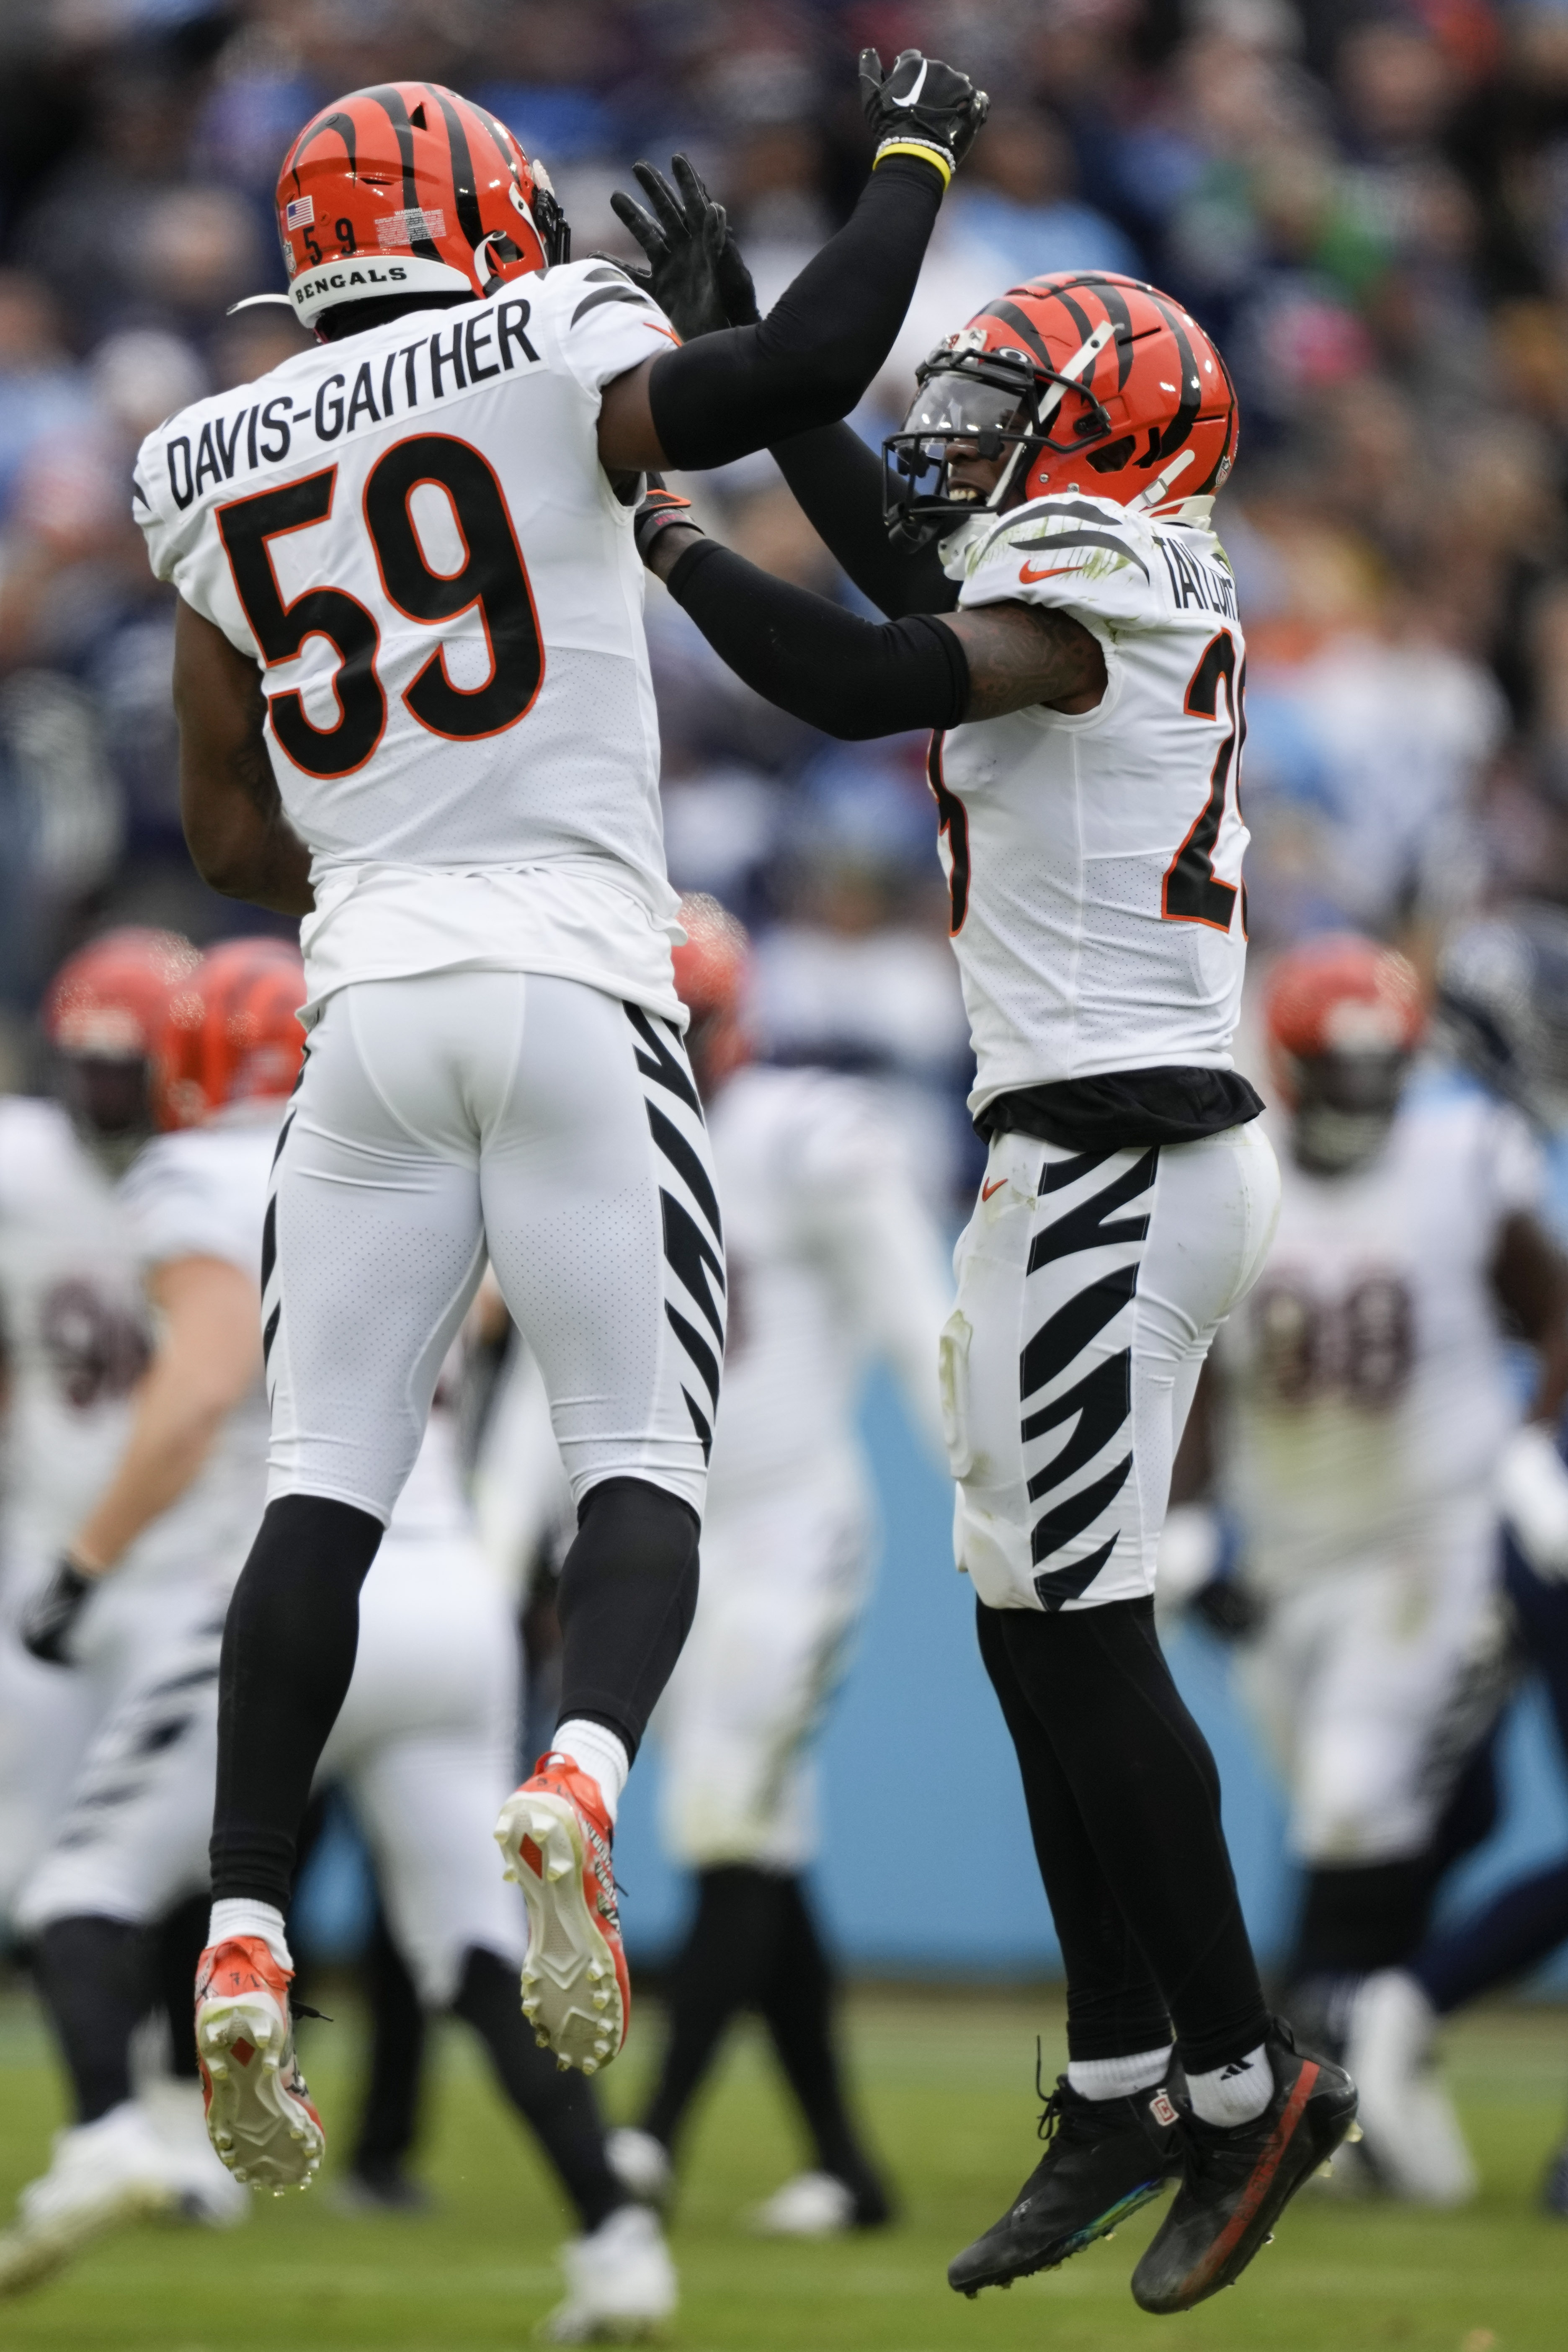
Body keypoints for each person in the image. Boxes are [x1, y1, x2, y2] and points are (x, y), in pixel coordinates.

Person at [108, 51, 990, 2186]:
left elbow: (229, 834)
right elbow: (818, 356)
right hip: (584, 977)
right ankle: (580, 1777)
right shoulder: (549, 334)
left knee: (321, 1482)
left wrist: (397, 830)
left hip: (366, 1000)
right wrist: (917, 150)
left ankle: (237, 1926)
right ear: (484, 217)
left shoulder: (195, 461)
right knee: (635, 1455)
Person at [626, 265, 1357, 2313]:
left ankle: (1247, 2072)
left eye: (1008, 395)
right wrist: (769, 377)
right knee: (1035, 1629)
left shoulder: (1112, 562)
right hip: (1073, 1150)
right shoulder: (1088, 551)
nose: (962, 422)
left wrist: (664, 524)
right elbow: (901, 563)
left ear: (1116, 434)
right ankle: (1131, 2080)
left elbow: (867, 679)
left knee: (1086, 1630)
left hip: (1129, 1152)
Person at [7, 936, 679, 2339]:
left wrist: (78, 1571)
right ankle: (619, 2239)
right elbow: (503, 1310)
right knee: (475, 1959)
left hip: (301, 1594)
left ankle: (107, 2137)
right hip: (451, 1602)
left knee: (79, 1893)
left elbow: (198, 1388)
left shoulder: (206, 1174)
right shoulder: (406, 1152)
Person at [1163, 932, 1568, 2204]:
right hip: (1293, 1556)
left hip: (1433, 1536)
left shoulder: (1462, 1156)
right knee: (1347, 1819)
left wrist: (1533, 1447)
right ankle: (1332, 2077)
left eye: (1383, 1076)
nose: (1368, 1105)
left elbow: (1550, 1305)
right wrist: (1188, 1526)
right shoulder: (1237, 1176)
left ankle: (1324, 2075)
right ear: (1288, 1072)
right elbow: (1191, 1363)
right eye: (1341, 1080)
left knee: (1356, 1799)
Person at [604, 894, 950, 2236]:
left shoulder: (810, 1139)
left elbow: (919, 1316)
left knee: (727, 1817)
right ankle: (850, 2170)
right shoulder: (603, 1151)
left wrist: (984, 1495)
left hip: (798, 1525)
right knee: (762, 1840)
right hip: (671, 1543)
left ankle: (652, 2142)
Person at [1341, 907, 1568, 2215]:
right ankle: (1371, 2019)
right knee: (1412, 1808)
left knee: (1453, 1806)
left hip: (1469, 1510)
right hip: (1469, 1514)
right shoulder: (1467, 1146)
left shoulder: (1473, 1145)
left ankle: (1350, 2026)